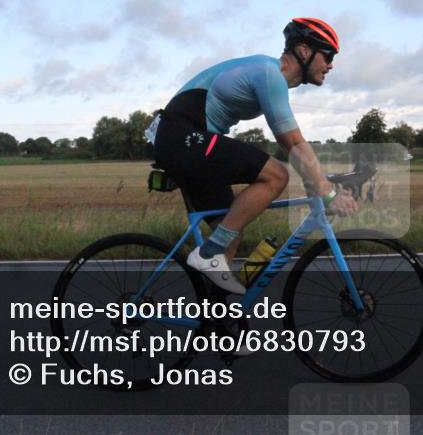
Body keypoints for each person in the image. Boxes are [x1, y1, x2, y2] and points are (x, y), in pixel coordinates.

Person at [149, 17, 358, 294]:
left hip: (183, 139)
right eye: (328, 56)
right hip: (181, 135)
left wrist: (318, 180)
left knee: (230, 230)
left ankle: (216, 315)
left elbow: (294, 145)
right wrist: (328, 192)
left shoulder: (269, 75)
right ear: (305, 51)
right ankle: (208, 254)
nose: (330, 65)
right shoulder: (269, 74)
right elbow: (293, 142)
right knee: (277, 175)